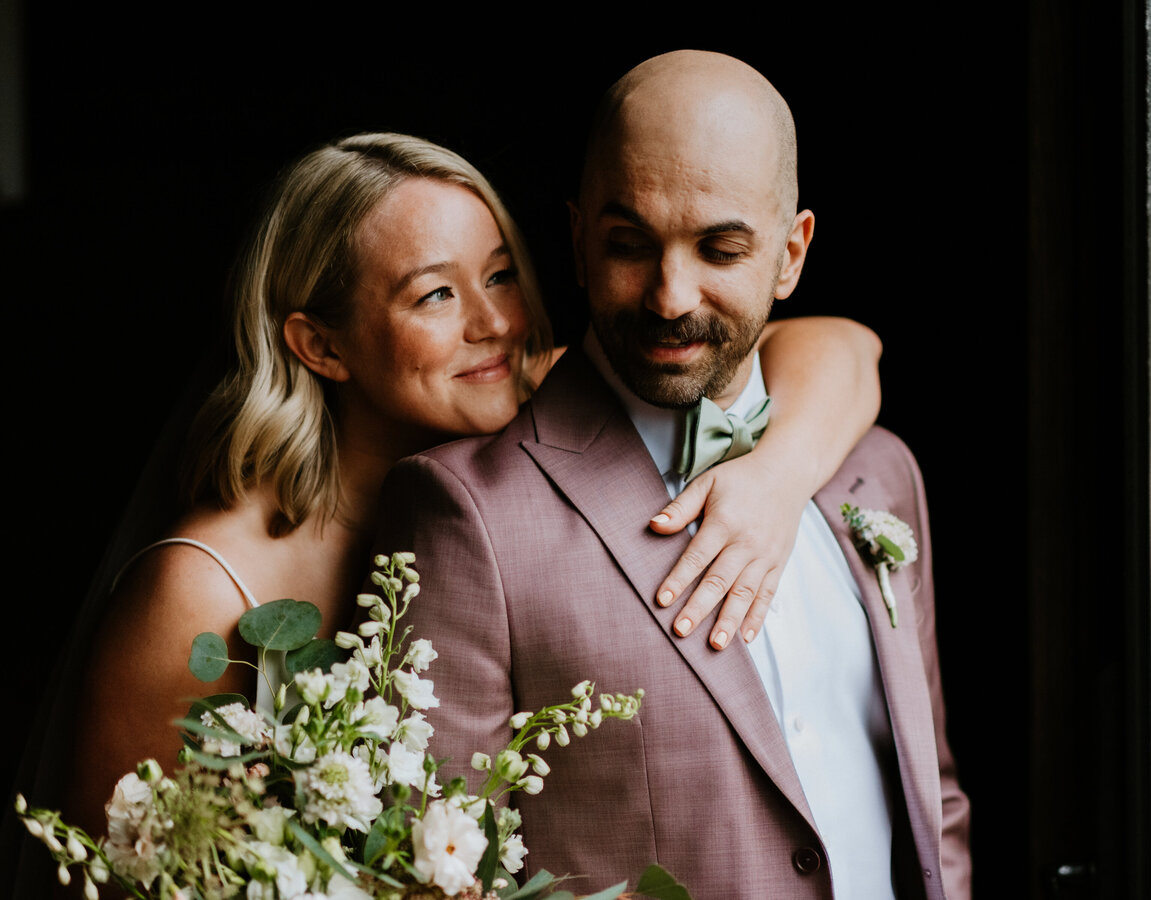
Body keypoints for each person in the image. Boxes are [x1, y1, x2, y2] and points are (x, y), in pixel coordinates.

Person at [29, 131, 881, 852]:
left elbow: (842, 347)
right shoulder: (201, 592)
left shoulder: (540, 394)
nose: (497, 323)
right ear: (320, 346)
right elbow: (108, 872)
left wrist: (773, 481)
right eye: (435, 294)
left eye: (502, 275)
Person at [369, 52, 970, 899]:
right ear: (577, 240)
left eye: (720, 248)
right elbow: (437, 866)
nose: (668, 295)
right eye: (628, 244)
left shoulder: (877, 471)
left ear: (791, 254)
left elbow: (931, 798)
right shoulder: (467, 514)